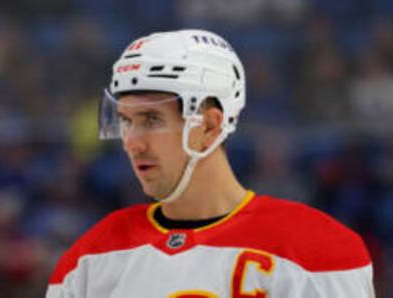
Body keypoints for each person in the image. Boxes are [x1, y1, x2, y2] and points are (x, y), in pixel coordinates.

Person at [46, 29, 375, 298]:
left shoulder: (317, 251)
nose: (131, 141)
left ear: (209, 126)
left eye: (151, 118)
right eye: (126, 120)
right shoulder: (90, 258)